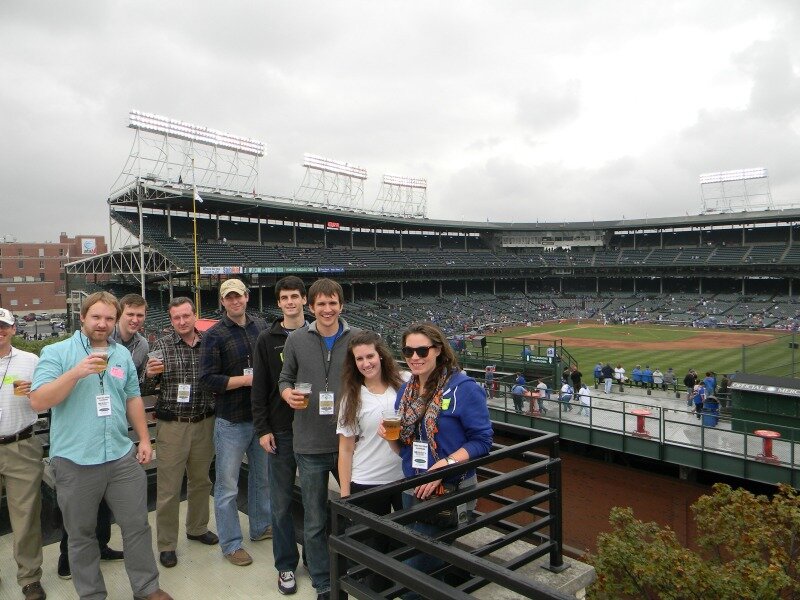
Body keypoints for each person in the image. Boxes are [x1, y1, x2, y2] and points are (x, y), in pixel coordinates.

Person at [30, 292, 171, 600]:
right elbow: (39, 399)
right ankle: (92, 594)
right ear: (82, 317)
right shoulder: (57, 352)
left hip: (121, 457)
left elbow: (132, 397)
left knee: (137, 526)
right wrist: (77, 372)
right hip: (75, 462)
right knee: (81, 536)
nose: (102, 324)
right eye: (96, 317)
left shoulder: (121, 355)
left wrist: (145, 439)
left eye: (109, 318)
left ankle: (147, 588)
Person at [379, 322, 492, 584]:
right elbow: (404, 449)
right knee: (420, 562)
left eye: (422, 351)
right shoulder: (406, 391)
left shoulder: (463, 387)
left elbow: (483, 441)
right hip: (412, 487)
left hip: (450, 489)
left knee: (413, 569)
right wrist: (390, 439)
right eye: (408, 352)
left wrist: (446, 464)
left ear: (438, 350)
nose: (415, 358)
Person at [279, 278, 356, 600]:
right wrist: (287, 394)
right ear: (311, 307)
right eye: (321, 304)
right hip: (309, 443)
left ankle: (353, 570)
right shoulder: (296, 340)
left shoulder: (357, 339)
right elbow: (284, 378)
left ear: (341, 304)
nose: (327, 309)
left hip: (348, 445)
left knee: (354, 513)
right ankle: (323, 582)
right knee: (314, 520)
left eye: (333, 302)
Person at [198, 278, 271, 567]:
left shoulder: (261, 327)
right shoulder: (214, 335)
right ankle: (230, 543)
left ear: (247, 297)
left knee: (262, 479)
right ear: (223, 302)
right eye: (228, 298)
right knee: (227, 487)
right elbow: (206, 380)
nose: (234, 301)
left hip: (260, 419)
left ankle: (260, 526)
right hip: (231, 420)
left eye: (238, 296)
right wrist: (246, 380)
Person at [145, 297, 217, 569]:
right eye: (176, 318)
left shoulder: (209, 343)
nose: (182, 321)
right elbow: (145, 384)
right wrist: (150, 374)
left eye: (186, 315)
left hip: (204, 421)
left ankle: (197, 528)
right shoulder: (161, 346)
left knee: (201, 481)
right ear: (171, 319)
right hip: (173, 425)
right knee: (168, 488)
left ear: (195, 315)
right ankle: (166, 544)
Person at [251, 276, 309, 595]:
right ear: (279, 303)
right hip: (281, 430)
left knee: (314, 503)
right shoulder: (266, 338)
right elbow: (259, 388)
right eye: (284, 297)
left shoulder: (317, 332)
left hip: (313, 431)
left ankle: (313, 559)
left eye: (295, 296)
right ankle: (286, 565)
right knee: (282, 503)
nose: (290, 302)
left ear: (304, 300)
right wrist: (263, 429)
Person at [337, 331, 404, 590]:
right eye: (360, 358)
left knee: (402, 547)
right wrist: (345, 495)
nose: (366, 363)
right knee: (373, 552)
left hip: (402, 479)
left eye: (370, 356)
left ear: (381, 355)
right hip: (367, 481)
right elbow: (345, 449)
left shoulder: (404, 384)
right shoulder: (351, 398)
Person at [0, 308, 46, 600]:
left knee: (27, 517)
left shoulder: (32, 361)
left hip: (22, 445)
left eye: (3, 326)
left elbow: (46, 401)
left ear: (14, 329)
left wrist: (35, 394)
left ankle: (29, 577)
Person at [111, 293, 150, 378]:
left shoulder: (143, 345)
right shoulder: (105, 338)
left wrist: (148, 375)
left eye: (139, 315)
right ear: (119, 314)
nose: (135, 320)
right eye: (130, 314)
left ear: (145, 316)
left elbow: (139, 381)